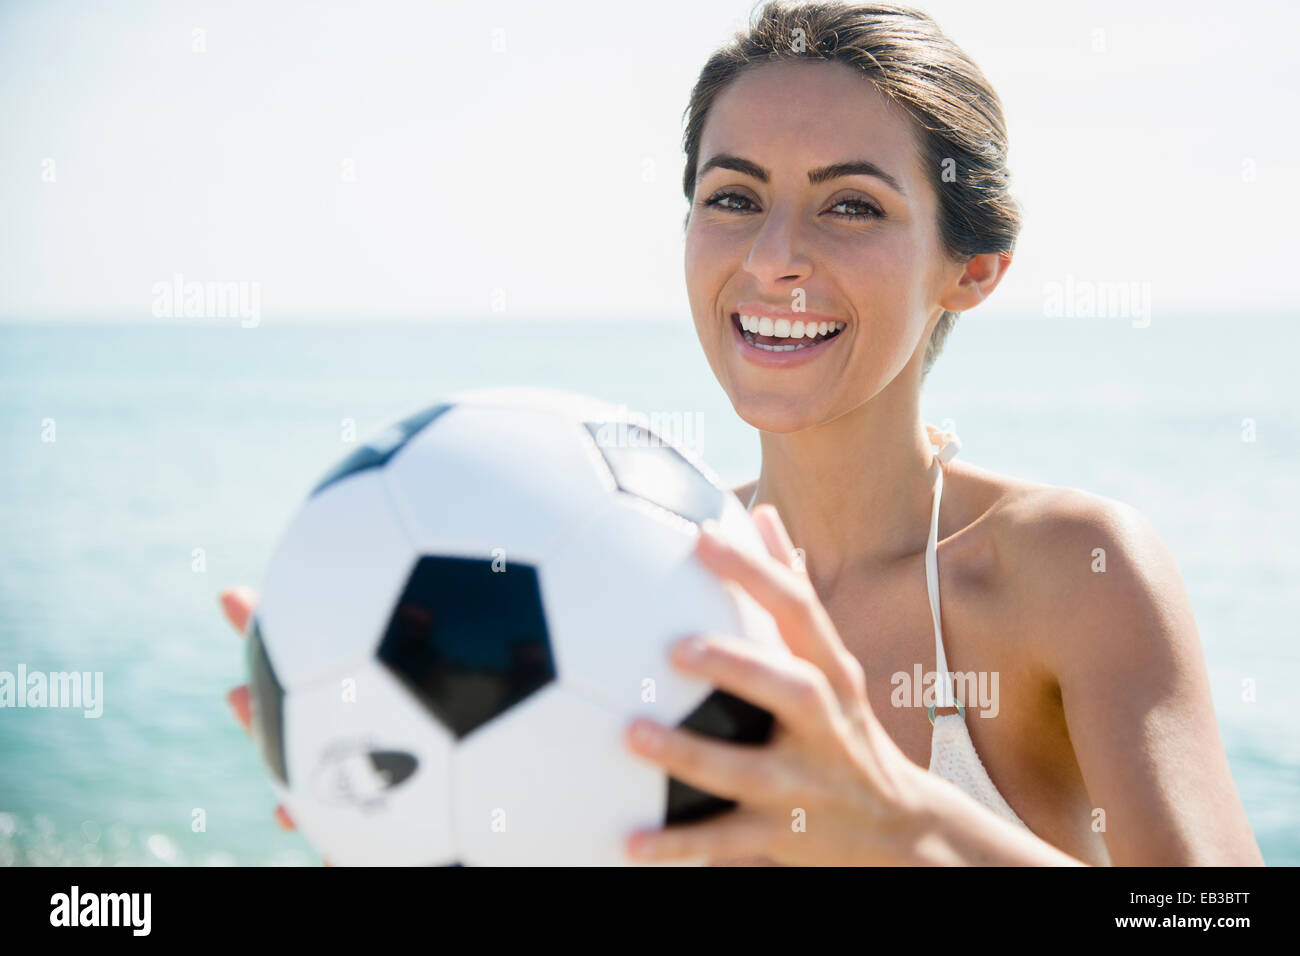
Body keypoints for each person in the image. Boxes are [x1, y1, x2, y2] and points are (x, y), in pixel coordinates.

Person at [222, 0, 1263, 865]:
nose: (774, 257)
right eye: (733, 196)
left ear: (970, 269)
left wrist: (906, 824)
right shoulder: (644, 583)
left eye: (850, 206)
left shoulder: (1065, 569)